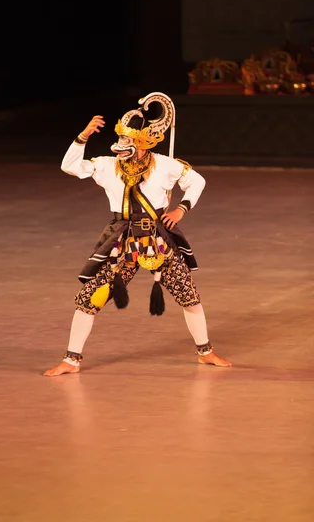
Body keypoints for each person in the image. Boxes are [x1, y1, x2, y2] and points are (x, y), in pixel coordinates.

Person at [44, 92, 231, 376]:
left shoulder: (165, 165)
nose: (122, 146)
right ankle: (71, 359)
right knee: (91, 297)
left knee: (188, 294)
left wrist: (181, 209)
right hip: (122, 241)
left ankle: (205, 351)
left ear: (143, 143)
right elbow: (70, 167)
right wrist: (82, 136)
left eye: (129, 141)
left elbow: (197, 182)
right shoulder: (106, 165)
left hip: (159, 240)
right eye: (121, 139)